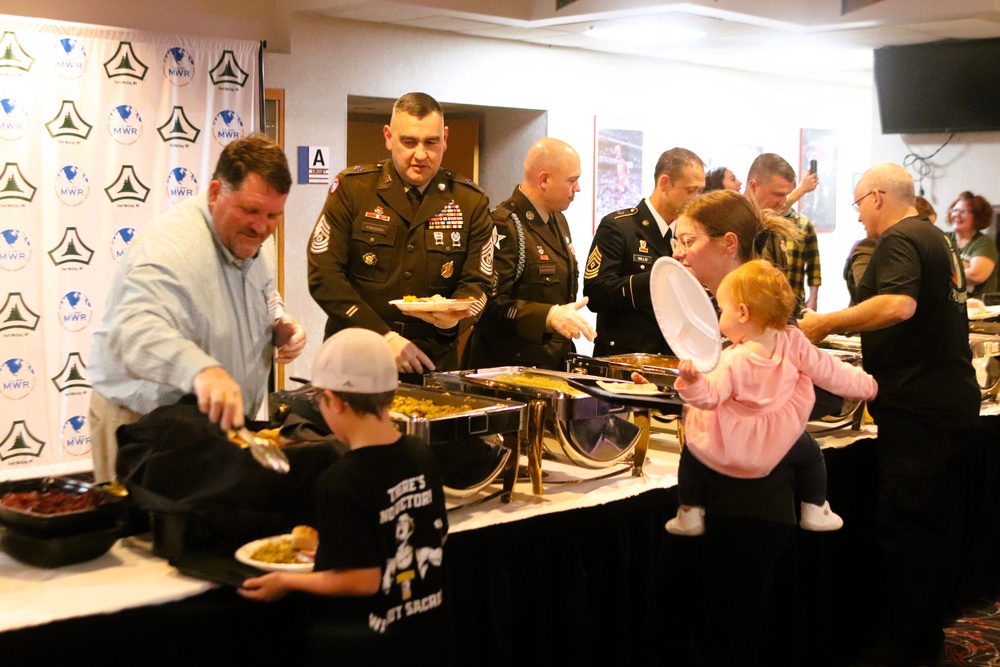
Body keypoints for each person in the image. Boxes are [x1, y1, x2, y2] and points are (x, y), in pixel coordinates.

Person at [799, 163, 980, 667]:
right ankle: (923, 635)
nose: (857, 217)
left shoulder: (899, 239)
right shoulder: (937, 236)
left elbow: (899, 306)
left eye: (857, 204)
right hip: (950, 402)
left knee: (907, 531)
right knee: (933, 526)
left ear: (877, 198)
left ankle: (904, 647)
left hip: (919, 408)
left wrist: (825, 323)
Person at [639, 189, 806, 666]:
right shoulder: (724, 305)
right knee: (683, 620)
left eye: (688, 240)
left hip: (746, 504)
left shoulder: (758, 309)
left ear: (729, 243)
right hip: (725, 496)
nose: (678, 252)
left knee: (726, 633)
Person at [87, 133, 306, 484]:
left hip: (207, 430)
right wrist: (203, 371)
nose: (262, 226)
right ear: (216, 192)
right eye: (250, 210)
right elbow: (133, 330)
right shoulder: (169, 247)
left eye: (273, 215)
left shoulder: (254, 238)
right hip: (142, 426)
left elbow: (263, 293)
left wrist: (279, 321)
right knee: (142, 538)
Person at [239, 328, 449, 656]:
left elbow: (363, 580)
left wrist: (286, 582)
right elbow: (434, 535)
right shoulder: (421, 453)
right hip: (426, 635)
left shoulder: (340, 479)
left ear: (335, 402)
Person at [666, 259, 877, 537]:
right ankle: (815, 509)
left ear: (742, 313)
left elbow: (710, 397)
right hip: (781, 438)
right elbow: (833, 372)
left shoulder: (732, 359)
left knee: (693, 452)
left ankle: (689, 513)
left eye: (721, 309)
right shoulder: (793, 341)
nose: (719, 316)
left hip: (733, 442)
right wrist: (869, 386)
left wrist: (692, 382)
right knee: (812, 455)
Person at [307, 92, 493, 383]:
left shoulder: (470, 201)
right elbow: (324, 275)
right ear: (388, 137)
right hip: (356, 356)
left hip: (432, 362)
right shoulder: (353, 189)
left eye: (431, 142)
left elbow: (480, 283)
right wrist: (382, 336)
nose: (421, 154)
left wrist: (452, 320)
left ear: (445, 137)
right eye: (409, 142)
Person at [464, 138, 595, 370]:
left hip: (550, 364)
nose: (578, 188)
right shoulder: (504, 225)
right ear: (544, 180)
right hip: (508, 369)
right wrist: (548, 316)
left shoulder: (558, 220)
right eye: (572, 181)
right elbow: (487, 308)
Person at [583, 147, 705, 357]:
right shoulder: (620, 227)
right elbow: (595, 294)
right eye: (690, 191)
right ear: (665, 183)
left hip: (673, 357)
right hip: (625, 360)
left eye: (699, 191)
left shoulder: (688, 235)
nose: (696, 199)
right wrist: (659, 278)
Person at [743, 153, 798, 274]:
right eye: (778, 195)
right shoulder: (731, 225)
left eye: (786, 195)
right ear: (753, 187)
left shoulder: (771, 226)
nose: (783, 203)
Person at [945, 190, 997, 300]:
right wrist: (963, 265)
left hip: (978, 308)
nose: (956, 215)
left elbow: (976, 275)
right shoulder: (944, 238)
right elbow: (929, 268)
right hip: (950, 306)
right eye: (955, 210)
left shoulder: (983, 242)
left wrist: (944, 269)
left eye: (963, 212)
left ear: (977, 217)